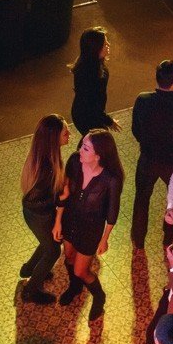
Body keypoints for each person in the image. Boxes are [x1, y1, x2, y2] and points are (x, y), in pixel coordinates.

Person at [130, 61, 173, 251]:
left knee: (142, 198)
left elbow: (136, 130)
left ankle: (138, 239)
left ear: (157, 78)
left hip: (148, 159)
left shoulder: (142, 100)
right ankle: (168, 237)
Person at [57, 130, 124, 323]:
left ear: (98, 155)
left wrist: (105, 239)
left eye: (86, 148)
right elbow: (64, 192)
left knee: (81, 270)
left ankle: (99, 296)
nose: (80, 150)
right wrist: (58, 221)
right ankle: (75, 287)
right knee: (69, 258)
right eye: (82, 145)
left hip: (91, 229)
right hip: (70, 220)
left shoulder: (110, 179)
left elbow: (112, 213)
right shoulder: (74, 162)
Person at [20, 115, 70, 305]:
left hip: (34, 213)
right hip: (39, 214)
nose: (69, 134)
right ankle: (31, 291)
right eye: (65, 132)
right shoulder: (47, 167)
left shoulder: (43, 156)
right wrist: (62, 197)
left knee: (47, 242)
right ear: (54, 138)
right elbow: (42, 199)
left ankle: (29, 269)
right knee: (53, 251)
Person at [70, 27, 119, 137]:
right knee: (99, 140)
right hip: (87, 117)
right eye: (105, 44)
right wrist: (108, 121)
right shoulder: (92, 74)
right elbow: (93, 105)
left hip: (81, 112)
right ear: (96, 48)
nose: (108, 45)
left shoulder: (87, 63)